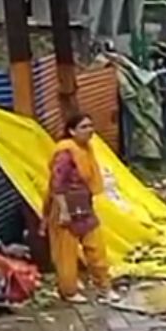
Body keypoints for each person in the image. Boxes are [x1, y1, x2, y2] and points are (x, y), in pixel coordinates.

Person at [43, 114, 114, 304]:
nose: (89, 130)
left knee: (96, 249)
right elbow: (57, 185)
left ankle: (104, 287)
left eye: (91, 126)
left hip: (84, 207)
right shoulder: (65, 153)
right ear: (72, 131)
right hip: (65, 208)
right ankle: (69, 291)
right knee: (66, 254)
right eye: (83, 127)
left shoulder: (86, 150)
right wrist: (64, 211)